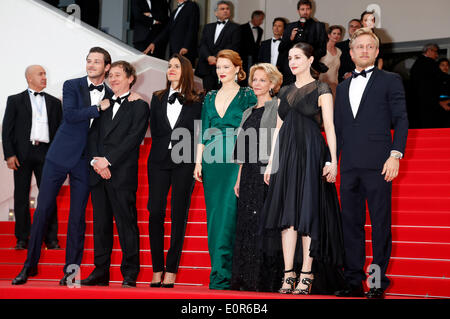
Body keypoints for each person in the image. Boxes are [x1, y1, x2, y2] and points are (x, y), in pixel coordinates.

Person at [11, 47, 114, 286]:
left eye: (97, 62)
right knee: (43, 211)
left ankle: (71, 273)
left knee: (77, 219)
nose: (91, 65)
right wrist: (98, 108)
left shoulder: (111, 93)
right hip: (58, 157)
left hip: (85, 161)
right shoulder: (72, 85)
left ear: (107, 67)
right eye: (89, 61)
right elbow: (70, 115)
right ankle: (29, 266)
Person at [260, 42, 346, 295]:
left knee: (308, 214)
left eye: (298, 57)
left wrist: (333, 161)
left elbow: (329, 127)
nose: (292, 61)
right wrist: (271, 162)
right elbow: (277, 129)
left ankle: (306, 275)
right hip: (286, 157)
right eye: (290, 58)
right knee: (287, 219)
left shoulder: (321, 88)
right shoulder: (284, 90)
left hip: (311, 154)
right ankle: (289, 275)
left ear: (310, 60)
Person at [333, 28, 408, 299]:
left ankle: (376, 283)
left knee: (379, 226)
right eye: (359, 47)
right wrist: (333, 160)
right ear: (351, 53)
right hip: (349, 165)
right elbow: (339, 128)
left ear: (376, 52)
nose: (364, 50)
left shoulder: (390, 80)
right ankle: (353, 282)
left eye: (369, 47)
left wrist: (395, 154)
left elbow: (401, 119)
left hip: (380, 163)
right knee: (350, 225)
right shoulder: (341, 88)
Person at [80, 61, 150, 288]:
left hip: (121, 173)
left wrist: (108, 161)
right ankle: (100, 272)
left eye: (118, 75)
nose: (113, 79)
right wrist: (96, 162)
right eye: (111, 76)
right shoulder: (103, 105)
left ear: (131, 78)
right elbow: (92, 136)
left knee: (126, 224)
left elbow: (133, 138)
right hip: (98, 172)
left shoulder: (139, 105)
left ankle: (130, 273)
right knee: (101, 225)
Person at [193, 49, 257, 290]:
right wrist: (198, 162)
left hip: (236, 160)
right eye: (218, 67)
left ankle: (233, 274)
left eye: (226, 67)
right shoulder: (209, 97)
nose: (221, 71)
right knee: (215, 217)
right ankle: (219, 273)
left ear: (238, 69)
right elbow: (202, 131)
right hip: (211, 161)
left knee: (232, 216)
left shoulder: (247, 95)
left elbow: (253, 126)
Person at [147, 54, 202, 288]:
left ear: (186, 71)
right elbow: (155, 128)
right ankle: (157, 268)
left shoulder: (198, 101)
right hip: (158, 161)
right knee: (155, 213)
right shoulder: (157, 97)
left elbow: (199, 134)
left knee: (178, 216)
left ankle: (171, 270)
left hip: (184, 161)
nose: (171, 69)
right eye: (169, 66)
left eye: (176, 66)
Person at [231, 63, 283, 292]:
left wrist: (273, 168)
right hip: (249, 172)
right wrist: (238, 179)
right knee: (246, 223)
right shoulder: (247, 112)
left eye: (263, 80)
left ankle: (264, 279)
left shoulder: (278, 106)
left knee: (264, 223)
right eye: (255, 80)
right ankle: (244, 278)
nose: (257, 84)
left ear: (272, 84)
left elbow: (279, 142)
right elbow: (242, 149)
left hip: (267, 171)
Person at [2, 65, 62, 251]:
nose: (44, 77)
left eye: (45, 74)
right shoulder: (14, 100)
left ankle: (51, 239)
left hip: (47, 154)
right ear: (29, 78)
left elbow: (60, 131)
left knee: (49, 196)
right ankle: (22, 238)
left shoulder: (54, 102)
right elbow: (7, 130)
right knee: (21, 196)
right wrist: (9, 155)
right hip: (22, 154)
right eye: (40, 74)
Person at [278, 0, 328, 86]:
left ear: (311, 10)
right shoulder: (290, 27)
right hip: (291, 71)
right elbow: (281, 49)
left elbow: (322, 50)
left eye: (307, 9)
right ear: (298, 11)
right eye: (302, 9)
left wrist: (306, 59)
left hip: (310, 70)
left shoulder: (319, 26)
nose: (305, 12)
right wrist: (290, 39)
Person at [195, 1, 240, 92]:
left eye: (227, 9)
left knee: (222, 95)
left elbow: (232, 47)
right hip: (207, 68)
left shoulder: (236, 28)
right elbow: (202, 45)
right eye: (222, 9)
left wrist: (216, 58)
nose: (225, 11)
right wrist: (208, 57)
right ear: (216, 13)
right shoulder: (208, 27)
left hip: (224, 68)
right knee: (207, 96)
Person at [143, 0, 200, 66]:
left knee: (184, 74)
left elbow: (193, 28)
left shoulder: (192, 6)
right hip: (174, 50)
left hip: (184, 51)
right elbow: (166, 30)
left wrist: (186, 46)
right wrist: (154, 43)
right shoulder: (174, 12)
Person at [410, 43, 446, 128]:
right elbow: (440, 76)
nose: (437, 55)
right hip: (427, 101)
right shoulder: (428, 62)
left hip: (418, 101)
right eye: (436, 52)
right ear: (429, 50)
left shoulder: (418, 62)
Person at [239, 10, 265, 81]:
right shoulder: (241, 28)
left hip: (255, 59)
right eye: (260, 19)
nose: (261, 22)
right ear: (254, 18)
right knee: (243, 78)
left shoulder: (260, 30)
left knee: (253, 76)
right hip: (243, 58)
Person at [319, 25, 343, 96]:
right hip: (321, 85)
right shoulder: (321, 49)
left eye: (338, 34)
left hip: (334, 85)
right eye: (334, 33)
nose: (336, 36)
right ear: (329, 35)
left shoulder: (339, 51)